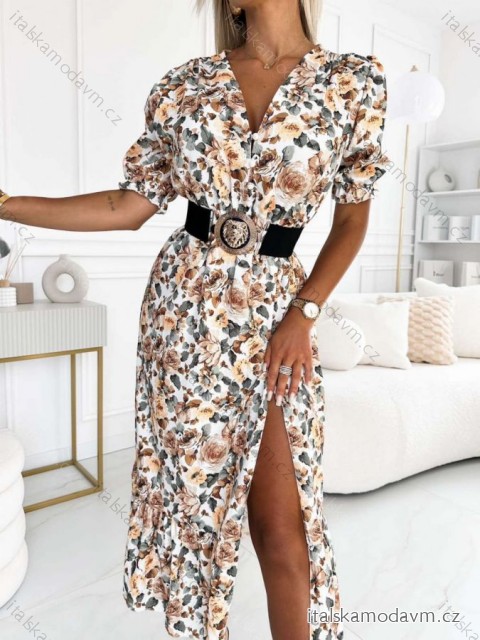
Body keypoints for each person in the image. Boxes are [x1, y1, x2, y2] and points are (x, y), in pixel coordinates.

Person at [0, 0, 390, 638]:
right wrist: (7, 204)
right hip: (184, 314)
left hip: (280, 314)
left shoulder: (354, 82)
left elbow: (352, 219)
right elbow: (126, 205)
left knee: (282, 525)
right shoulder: (185, 85)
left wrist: (305, 313)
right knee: (194, 512)